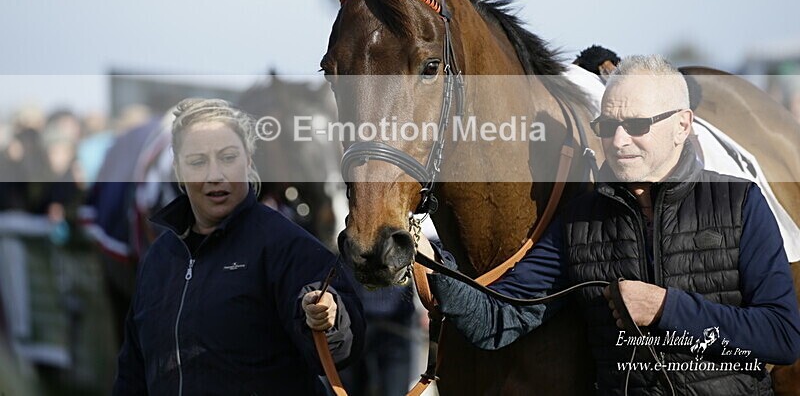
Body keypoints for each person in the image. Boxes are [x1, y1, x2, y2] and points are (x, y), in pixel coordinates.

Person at [419, 55, 800, 395]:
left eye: (636, 125)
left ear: (682, 125)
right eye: (607, 126)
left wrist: (665, 308)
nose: (618, 141)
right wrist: (434, 266)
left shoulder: (742, 202)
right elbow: (497, 320)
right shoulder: (578, 220)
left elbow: (782, 337)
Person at [113, 98, 364, 395]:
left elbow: (340, 351)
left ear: (249, 161)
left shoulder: (285, 245)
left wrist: (329, 320)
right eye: (197, 162)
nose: (215, 175)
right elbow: (133, 372)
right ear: (178, 170)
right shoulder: (159, 257)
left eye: (228, 157)